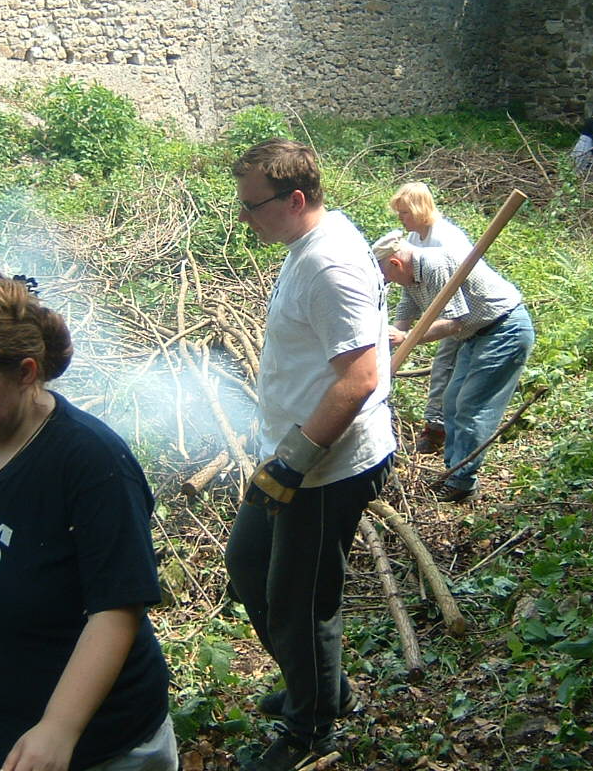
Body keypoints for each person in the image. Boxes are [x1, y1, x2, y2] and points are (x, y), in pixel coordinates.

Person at [0, 268, 176, 771]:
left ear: (26, 373)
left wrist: (58, 728)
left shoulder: (91, 464)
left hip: (87, 746)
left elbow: (116, 609)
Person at [223, 139, 395, 771]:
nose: (245, 218)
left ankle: (311, 728)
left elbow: (359, 378)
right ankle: (319, 687)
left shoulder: (329, 264)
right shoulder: (311, 245)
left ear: (296, 199)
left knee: (300, 601)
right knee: (248, 567)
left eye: (253, 206)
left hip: (326, 466)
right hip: (292, 458)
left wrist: (292, 465)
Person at [370, 231, 534, 503]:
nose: (388, 281)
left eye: (387, 275)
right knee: (451, 402)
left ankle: (463, 482)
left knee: (472, 407)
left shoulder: (435, 266)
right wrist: (381, 359)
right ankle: (453, 472)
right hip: (475, 335)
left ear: (396, 264)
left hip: (504, 330)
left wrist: (407, 339)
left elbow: (453, 322)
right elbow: (404, 317)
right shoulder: (412, 276)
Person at [388, 183, 476, 454]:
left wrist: (411, 336)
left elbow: (456, 290)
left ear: (418, 209)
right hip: (440, 310)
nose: (401, 218)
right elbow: (411, 292)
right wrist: (399, 328)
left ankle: (436, 428)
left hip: (460, 312)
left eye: (404, 212)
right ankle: (438, 425)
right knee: (445, 369)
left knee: (445, 367)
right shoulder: (414, 239)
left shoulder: (446, 238)